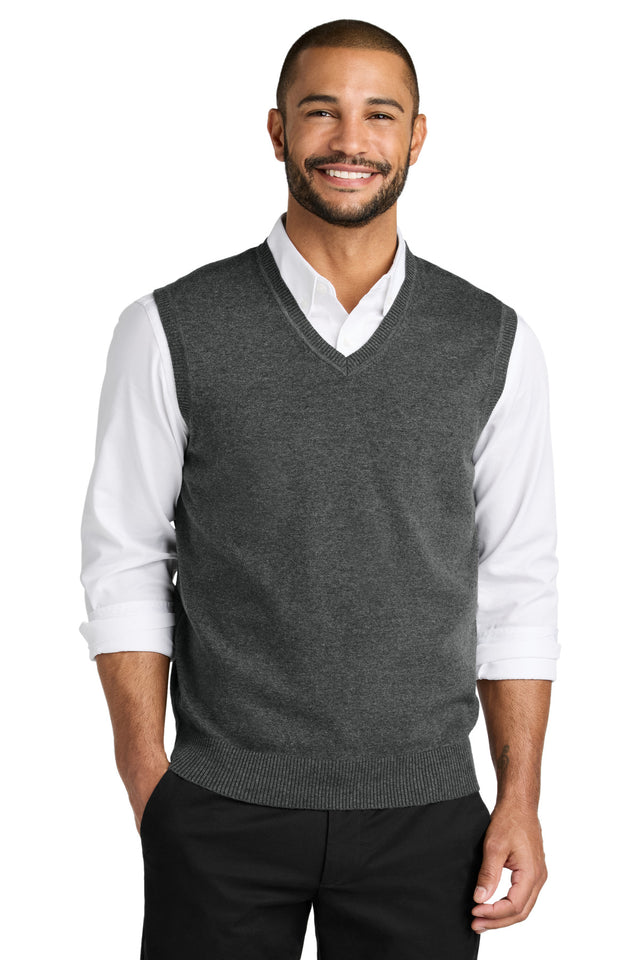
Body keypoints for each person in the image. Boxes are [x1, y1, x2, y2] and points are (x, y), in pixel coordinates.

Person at [79, 18, 560, 960]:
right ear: (277, 131)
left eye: (380, 114)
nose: (350, 140)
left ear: (417, 136)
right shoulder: (171, 327)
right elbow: (125, 558)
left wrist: (521, 799)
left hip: (427, 816)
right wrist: (149, 782)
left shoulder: (492, 342)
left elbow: (518, 584)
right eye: (321, 112)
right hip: (219, 807)